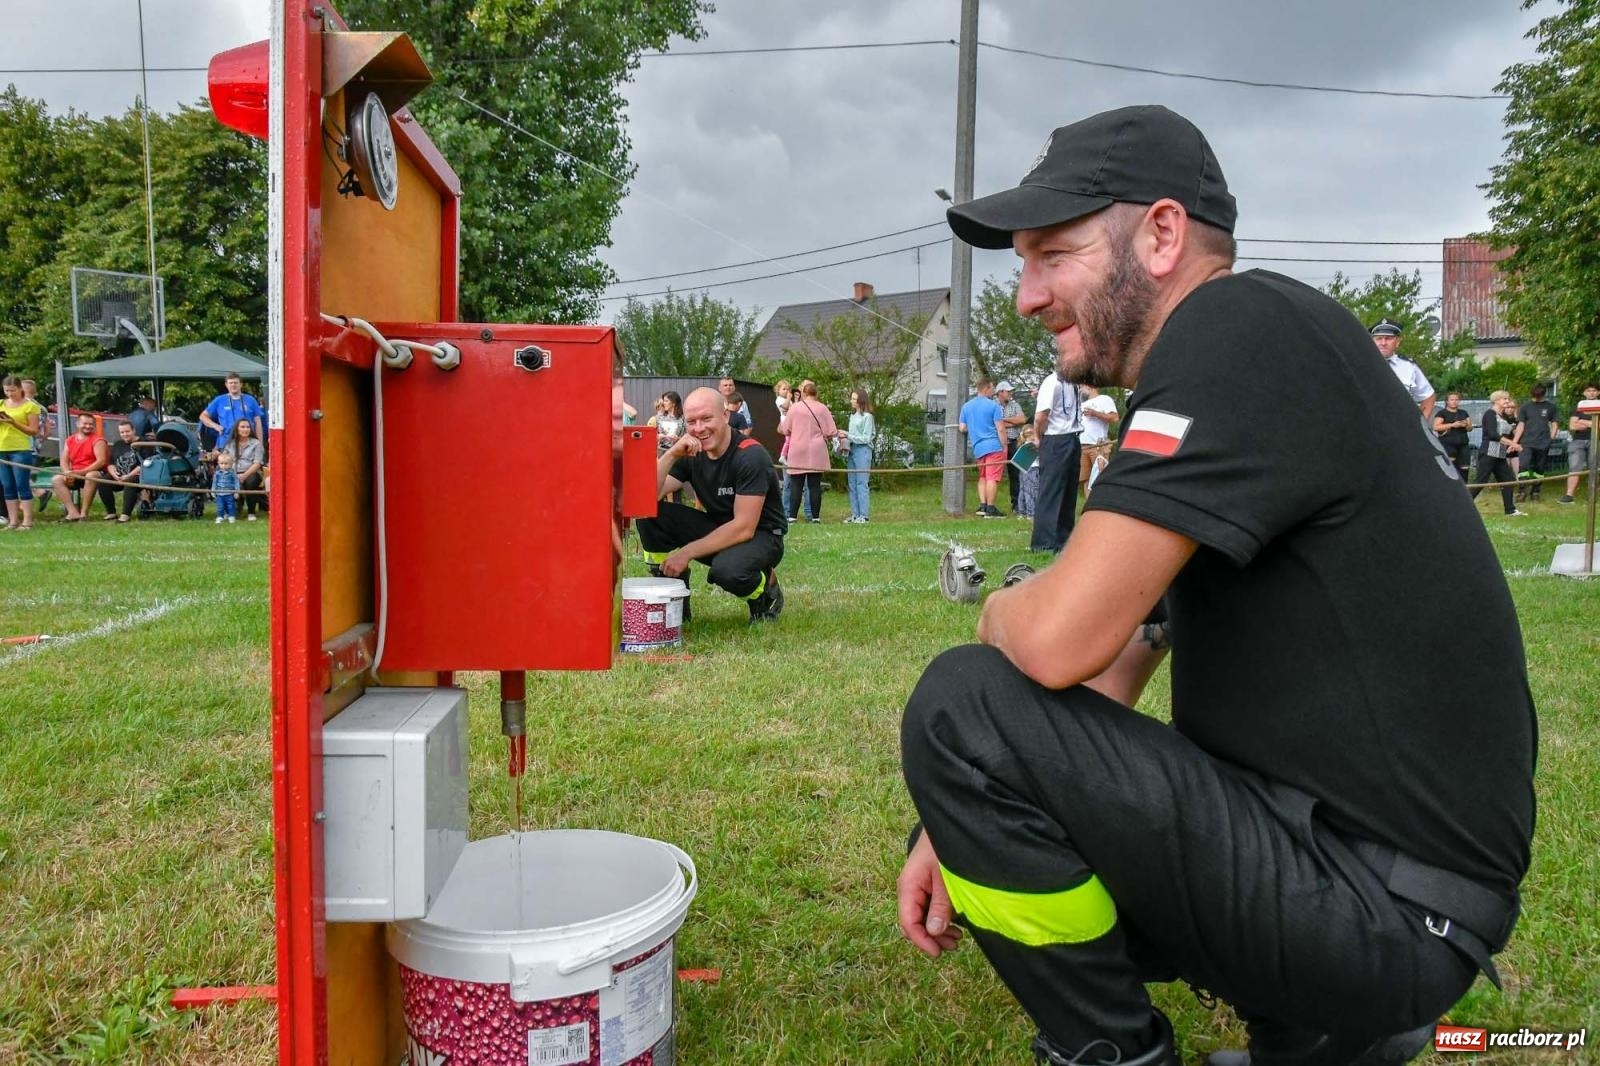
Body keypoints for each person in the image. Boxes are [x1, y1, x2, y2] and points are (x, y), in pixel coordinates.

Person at [899, 105, 1534, 1066]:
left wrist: (994, 614)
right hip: (1382, 886)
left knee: (959, 703)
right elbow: (1114, 656)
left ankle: (1127, 1052)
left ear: (1162, 234)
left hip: (1381, 907)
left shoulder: (1233, 329)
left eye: (1054, 255)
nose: (1027, 297)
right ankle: (1320, 1033)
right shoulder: (1252, 358)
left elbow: (1057, 638)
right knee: (979, 735)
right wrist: (961, 818)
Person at [635, 387, 786, 623]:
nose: (699, 428)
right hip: (720, 526)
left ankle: (765, 592)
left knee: (727, 571)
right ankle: (670, 593)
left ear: (725, 416)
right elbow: (644, 499)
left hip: (761, 535)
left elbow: (744, 527)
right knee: (649, 515)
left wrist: (686, 553)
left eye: (706, 418)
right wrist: (672, 454)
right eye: (692, 422)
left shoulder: (750, 455)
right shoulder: (691, 452)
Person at [1031, 354, 1083, 551]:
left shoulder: (1073, 384)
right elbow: (1041, 416)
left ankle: (1063, 539)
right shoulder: (1051, 382)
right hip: (1055, 438)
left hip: (1072, 437)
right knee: (1051, 490)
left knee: (1069, 492)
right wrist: (1038, 436)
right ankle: (1044, 542)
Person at [778, 380, 842, 523]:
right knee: (814, 485)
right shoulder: (823, 408)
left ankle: (792, 517)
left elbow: (785, 429)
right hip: (817, 450)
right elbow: (831, 431)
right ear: (816, 393)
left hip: (797, 448)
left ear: (803, 393)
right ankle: (815, 518)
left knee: (796, 485)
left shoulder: (795, 408)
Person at [1470, 391, 1527, 518]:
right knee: (1481, 481)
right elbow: (1493, 435)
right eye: (1504, 399)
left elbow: (1516, 424)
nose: (1507, 401)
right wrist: (1513, 443)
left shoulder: (1504, 416)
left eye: (1508, 399)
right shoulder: (1490, 414)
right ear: (1496, 401)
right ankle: (1463, 505)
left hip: (1500, 454)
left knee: (1508, 480)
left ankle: (1510, 510)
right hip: (1489, 453)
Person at [959, 380, 1008, 517]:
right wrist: (1004, 446)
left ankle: (983, 506)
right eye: (992, 388)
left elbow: (962, 428)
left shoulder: (966, 406)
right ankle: (991, 508)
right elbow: (1000, 428)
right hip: (993, 446)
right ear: (986, 389)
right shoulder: (993, 405)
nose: (993, 391)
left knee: (983, 476)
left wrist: (974, 428)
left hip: (978, 447)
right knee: (992, 477)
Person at [0, 375, 43, 531]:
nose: (9, 394)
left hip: (20, 449)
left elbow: (33, 431)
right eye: (6, 391)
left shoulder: (30, 406)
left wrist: (13, 422)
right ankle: (13, 521)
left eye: (12, 390)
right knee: (7, 485)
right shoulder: (1, 404)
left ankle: (27, 521)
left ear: (20, 389)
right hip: (2, 449)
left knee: (21, 484)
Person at [1370, 318, 1435, 421]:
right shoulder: (1360, 364)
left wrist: (1420, 425)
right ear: (1372, 341)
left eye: (1388, 338)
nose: (1383, 343)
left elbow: (1428, 397)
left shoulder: (1409, 367)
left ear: (1397, 342)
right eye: (1379, 338)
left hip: (1401, 426)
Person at [50, 413, 110, 522]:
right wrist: (67, 472)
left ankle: (84, 513)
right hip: (75, 474)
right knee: (56, 479)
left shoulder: (98, 440)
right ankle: (72, 512)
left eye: (91, 424)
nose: (88, 426)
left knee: (91, 475)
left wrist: (80, 473)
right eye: (85, 423)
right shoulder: (70, 440)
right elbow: (64, 460)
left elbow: (101, 461)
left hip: (94, 473)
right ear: (77, 424)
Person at [1512, 384, 1559, 502]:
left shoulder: (1551, 407)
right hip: (1526, 442)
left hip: (1543, 443)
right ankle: (1522, 491)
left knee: (1540, 468)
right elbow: (1521, 424)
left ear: (1543, 394)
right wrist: (1515, 442)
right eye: (1534, 396)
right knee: (1523, 466)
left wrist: (1551, 438)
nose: (1536, 398)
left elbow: (1554, 423)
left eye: (1538, 396)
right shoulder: (1525, 407)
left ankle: (1536, 491)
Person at [199, 373, 264, 454]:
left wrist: (260, 444)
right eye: (231, 383)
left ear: (241, 384)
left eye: (236, 383)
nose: (233, 385)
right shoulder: (219, 400)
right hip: (226, 442)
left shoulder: (251, 400)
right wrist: (215, 426)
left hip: (248, 443)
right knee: (226, 462)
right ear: (226, 385)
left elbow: (258, 423)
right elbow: (203, 416)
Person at [217, 419, 268, 520]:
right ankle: (228, 511)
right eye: (243, 427)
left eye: (248, 427)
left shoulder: (256, 443)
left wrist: (244, 476)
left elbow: (257, 463)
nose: (246, 429)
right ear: (237, 429)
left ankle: (251, 513)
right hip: (232, 472)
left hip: (251, 473)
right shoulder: (229, 444)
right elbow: (224, 460)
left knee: (251, 481)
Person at [98, 420, 145, 522]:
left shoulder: (144, 443)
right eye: (122, 432)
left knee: (130, 482)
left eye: (127, 431)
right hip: (119, 475)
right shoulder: (118, 444)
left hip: (138, 476)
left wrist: (128, 476)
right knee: (103, 481)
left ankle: (125, 514)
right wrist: (113, 473)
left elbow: (145, 463)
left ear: (134, 430)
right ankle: (111, 512)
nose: (125, 434)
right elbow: (110, 463)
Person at [1078, 383, 1119, 496]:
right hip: (1082, 446)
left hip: (1098, 445)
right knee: (1086, 480)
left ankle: (1103, 503)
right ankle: (1090, 505)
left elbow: (1115, 418)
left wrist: (1095, 413)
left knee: (1099, 477)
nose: (1080, 390)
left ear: (1089, 385)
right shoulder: (1081, 404)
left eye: (1081, 387)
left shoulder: (1104, 399)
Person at [1561, 381, 1598, 504]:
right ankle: (1569, 495)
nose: (1591, 393)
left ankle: (1592, 494)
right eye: (1588, 391)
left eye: (1594, 391)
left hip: (1596, 440)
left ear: (1598, 392)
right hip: (1578, 441)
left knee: (1595, 467)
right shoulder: (1579, 406)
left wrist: (1583, 422)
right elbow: (1572, 426)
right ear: (1584, 393)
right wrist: (1592, 424)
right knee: (1574, 467)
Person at [844, 388, 876, 523]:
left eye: (854, 398)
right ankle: (855, 514)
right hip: (852, 451)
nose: (851, 401)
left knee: (861, 483)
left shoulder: (868, 417)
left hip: (863, 451)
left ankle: (864, 515)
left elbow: (866, 438)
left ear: (860, 400)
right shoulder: (852, 416)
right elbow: (852, 436)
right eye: (851, 398)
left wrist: (848, 435)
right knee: (852, 483)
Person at [996, 381, 1028, 512]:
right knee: (994, 475)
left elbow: (1022, 420)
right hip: (998, 443)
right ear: (1000, 392)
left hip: (1014, 442)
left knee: (1016, 474)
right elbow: (993, 424)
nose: (1011, 393)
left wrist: (1002, 420)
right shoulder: (992, 405)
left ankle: (1017, 505)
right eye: (1008, 391)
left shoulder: (1015, 405)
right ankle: (989, 505)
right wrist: (1012, 421)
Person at [1432, 392, 1474, 481]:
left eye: (1456, 400)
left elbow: (1470, 428)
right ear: (1447, 401)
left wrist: (1466, 424)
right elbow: (1435, 427)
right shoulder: (1442, 413)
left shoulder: (1464, 413)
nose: (1454, 402)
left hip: (1463, 444)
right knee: (1451, 468)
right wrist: (1452, 425)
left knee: (1465, 468)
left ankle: (1464, 487)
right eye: (1452, 400)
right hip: (1448, 444)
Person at [212, 451, 240, 523]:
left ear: (231, 464)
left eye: (226, 463)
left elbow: (236, 482)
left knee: (230, 505)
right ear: (218, 463)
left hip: (229, 493)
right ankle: (220, 517)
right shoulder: (217, 473)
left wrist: (236, 492)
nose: (223, 465)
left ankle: (231, 516)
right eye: (221, 463)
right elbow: (214, 482)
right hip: (219, 493)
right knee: (220, 506)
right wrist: (213, 491)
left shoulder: (232, 473)